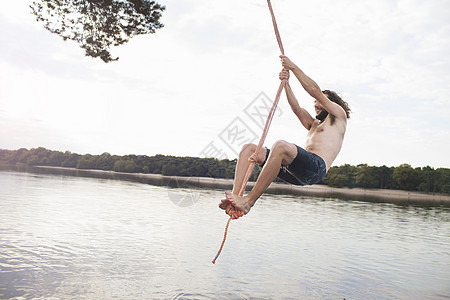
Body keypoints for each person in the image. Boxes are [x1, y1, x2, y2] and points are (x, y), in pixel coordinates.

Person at [219, 55, 351, 218]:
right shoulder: (313, 125)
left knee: (280, 146)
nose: (316, 104)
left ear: (331, 103)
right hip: (297, 172)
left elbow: (314, 92)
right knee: (249, 149)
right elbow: (296, 109)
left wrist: (293, 67)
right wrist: (286, 83)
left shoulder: (338, 116)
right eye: (315, 103)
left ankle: (249, 202)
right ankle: (235, 198)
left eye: (320, 102)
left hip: (316, 169)